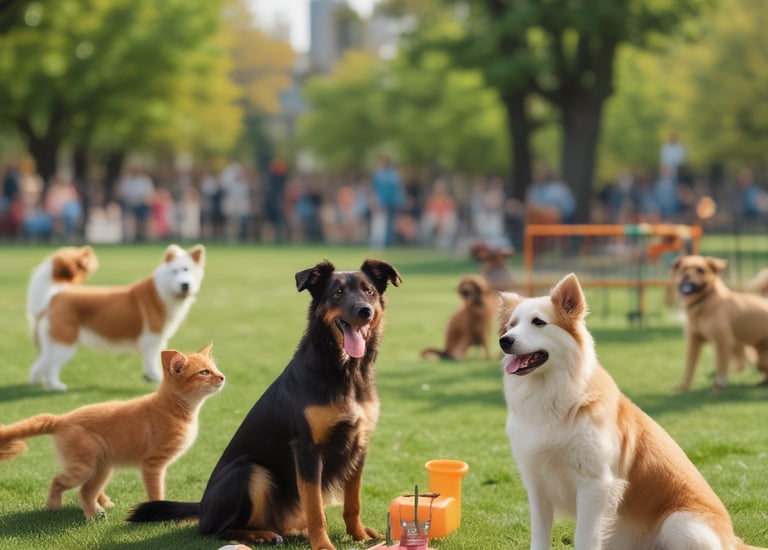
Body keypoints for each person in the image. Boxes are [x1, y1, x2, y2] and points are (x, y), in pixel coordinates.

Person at [370, 154, 404, 248]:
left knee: (389, 224)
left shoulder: (391, 174)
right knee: (381, 223)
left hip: (391, 202)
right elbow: (375, 189)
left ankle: (387, 243)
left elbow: (397, 189)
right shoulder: (381, 174)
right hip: (382, 202)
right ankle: (380, 243)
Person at [118, 166, 154, 241]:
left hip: (142, 203)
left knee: (143, 221)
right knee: (132, 222)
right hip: (131, 203)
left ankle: (144, 236)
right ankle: (133, 237)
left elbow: (150, 192)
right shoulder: (127, 180)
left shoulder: (144, 180)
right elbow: (123, 192)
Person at [44, 171, 82, 241]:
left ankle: (69, 235)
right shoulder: (53, 191)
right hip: (56, 216)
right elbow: (49, 207)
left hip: (68, 216)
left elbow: (76, 205)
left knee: (72, 209)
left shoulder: (71, 190)